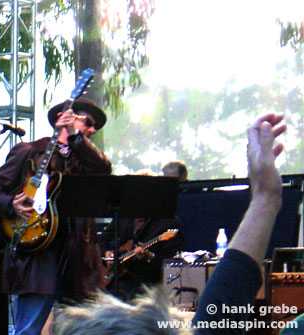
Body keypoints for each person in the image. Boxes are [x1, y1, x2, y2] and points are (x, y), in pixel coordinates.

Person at [51, 113, 287, 335]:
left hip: (146, 289)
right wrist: (110, 254)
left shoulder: (167, 225)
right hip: (117, 286)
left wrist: (148, 257)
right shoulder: (123, 219)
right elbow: (103, 240)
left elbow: (171, 264)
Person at [0, 97, 113, 335]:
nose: (93, 129)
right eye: (89, 122)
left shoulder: (86, 159)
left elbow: (104, 170)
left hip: (79, 258)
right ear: (64, 119)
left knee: (83, 330)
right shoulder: (29, 151)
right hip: (39, 255)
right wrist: (11, 203)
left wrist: (77, 137)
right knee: (29, 330)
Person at [102, 215, 183, 301]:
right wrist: (107, 253)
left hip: (148, 287)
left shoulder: (168, 222)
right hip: (117, 282)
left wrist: (150, 257)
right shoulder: (123, 217)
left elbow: (171, 263)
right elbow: (102, 240)